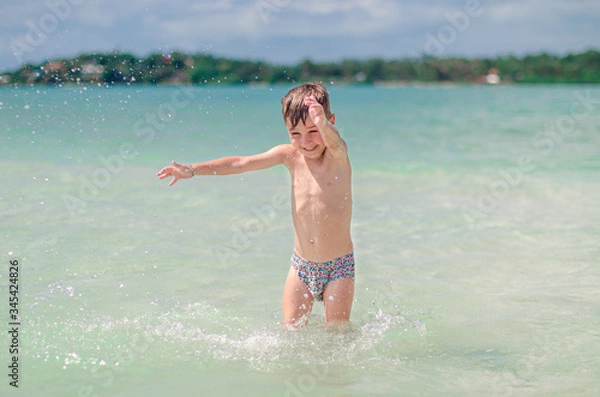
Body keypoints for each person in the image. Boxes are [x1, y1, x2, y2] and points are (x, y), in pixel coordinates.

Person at [156, 83, 355, 327]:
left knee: (337, 335)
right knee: (290, 333)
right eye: (295, 134)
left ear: (330, 121)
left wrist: (323, 125)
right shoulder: (290, 156)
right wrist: (193, 170)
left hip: (338, 267)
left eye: (314, 131)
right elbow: (241, 163)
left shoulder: (337, 156)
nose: (306, 141)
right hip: (302, 266)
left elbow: (335, 141)